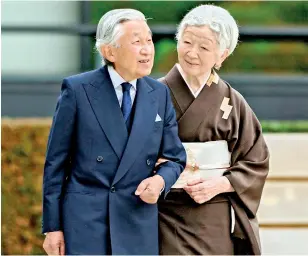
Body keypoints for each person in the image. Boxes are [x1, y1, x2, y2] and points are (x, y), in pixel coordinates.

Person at [42, 9, 186, 255]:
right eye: (136, 42)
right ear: (109, 51)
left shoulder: (159, 94)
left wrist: (160, 181)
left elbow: (174, 157)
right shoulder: (78, 90)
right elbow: (56, 163)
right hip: (86, 224)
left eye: (149, 40)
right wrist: (53, 227)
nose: (147, 49)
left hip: (136, 220)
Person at [157, 4, 269, 255]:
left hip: (212, 212)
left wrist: (220, 184)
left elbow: (256, 159)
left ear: (222, 55)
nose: (192, 53)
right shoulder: (152, 95)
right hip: (163, 211)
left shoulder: (233, 101)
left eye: (204, 47)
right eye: (186, 42)